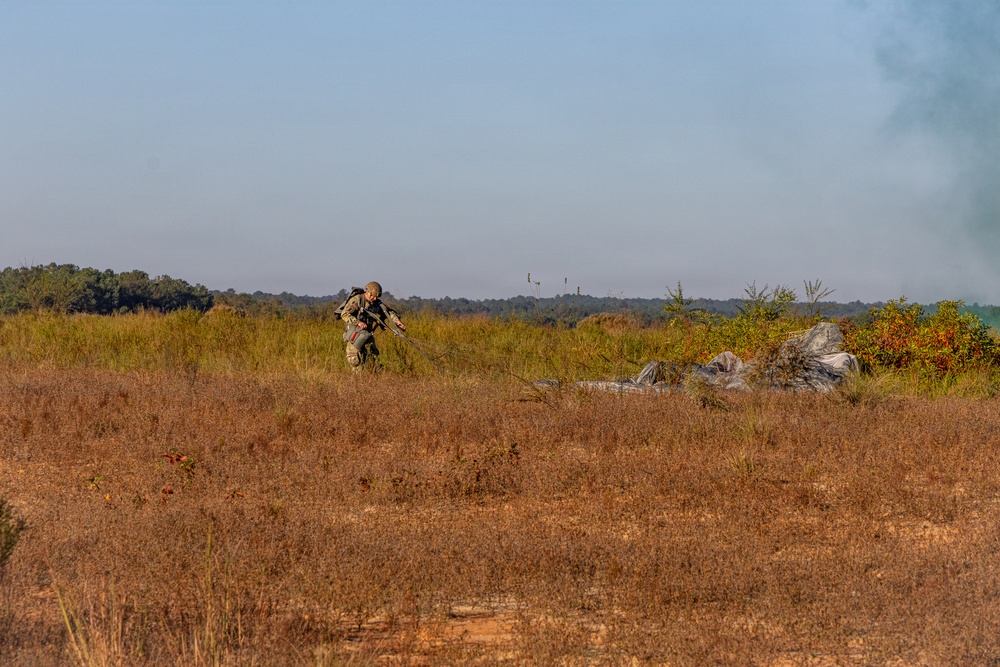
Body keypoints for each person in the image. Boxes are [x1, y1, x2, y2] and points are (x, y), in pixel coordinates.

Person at [340, 281, 406, 370]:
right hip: (355, 335)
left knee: (374, 359)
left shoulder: (376, 303)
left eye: (376, 297)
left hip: (368, 334)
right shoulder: (357, 300)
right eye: (372, 296)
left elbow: (388, 312)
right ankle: (358, 377)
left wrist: (397, 322)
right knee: (355, 361)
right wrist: (358, 322)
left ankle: (375, 375)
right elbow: (344, 314)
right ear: (367, 292)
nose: (374, 299)